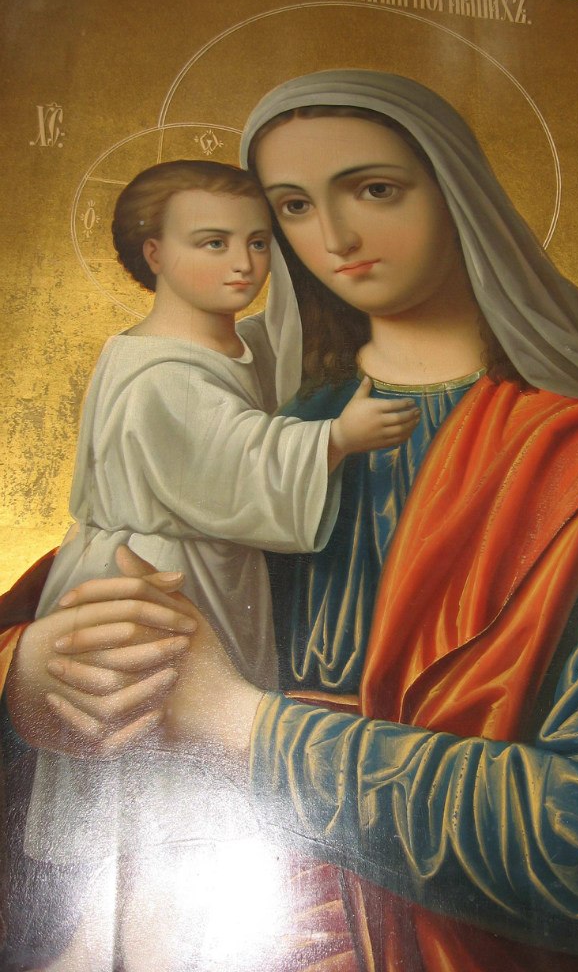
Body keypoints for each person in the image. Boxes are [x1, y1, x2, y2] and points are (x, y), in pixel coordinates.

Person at [3, 71, 578, 972]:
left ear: (459, 196)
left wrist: (239, 721)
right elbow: (68, 602)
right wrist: (39, 676)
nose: (335, 239)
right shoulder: (264, 432)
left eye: (373, 190)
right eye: (294, 206)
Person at [11, 157, 420, 969]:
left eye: (259, 243)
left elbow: (272, 353)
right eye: (213, 243)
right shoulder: (158, 368)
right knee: (157, 785)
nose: (243, 264)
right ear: (154, 254)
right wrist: (336, 439)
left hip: (205, 576)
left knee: (169, 787)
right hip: (155, 581)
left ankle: (112, 945)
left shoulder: (218, 340)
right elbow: (228, 457)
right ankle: (114, 948)